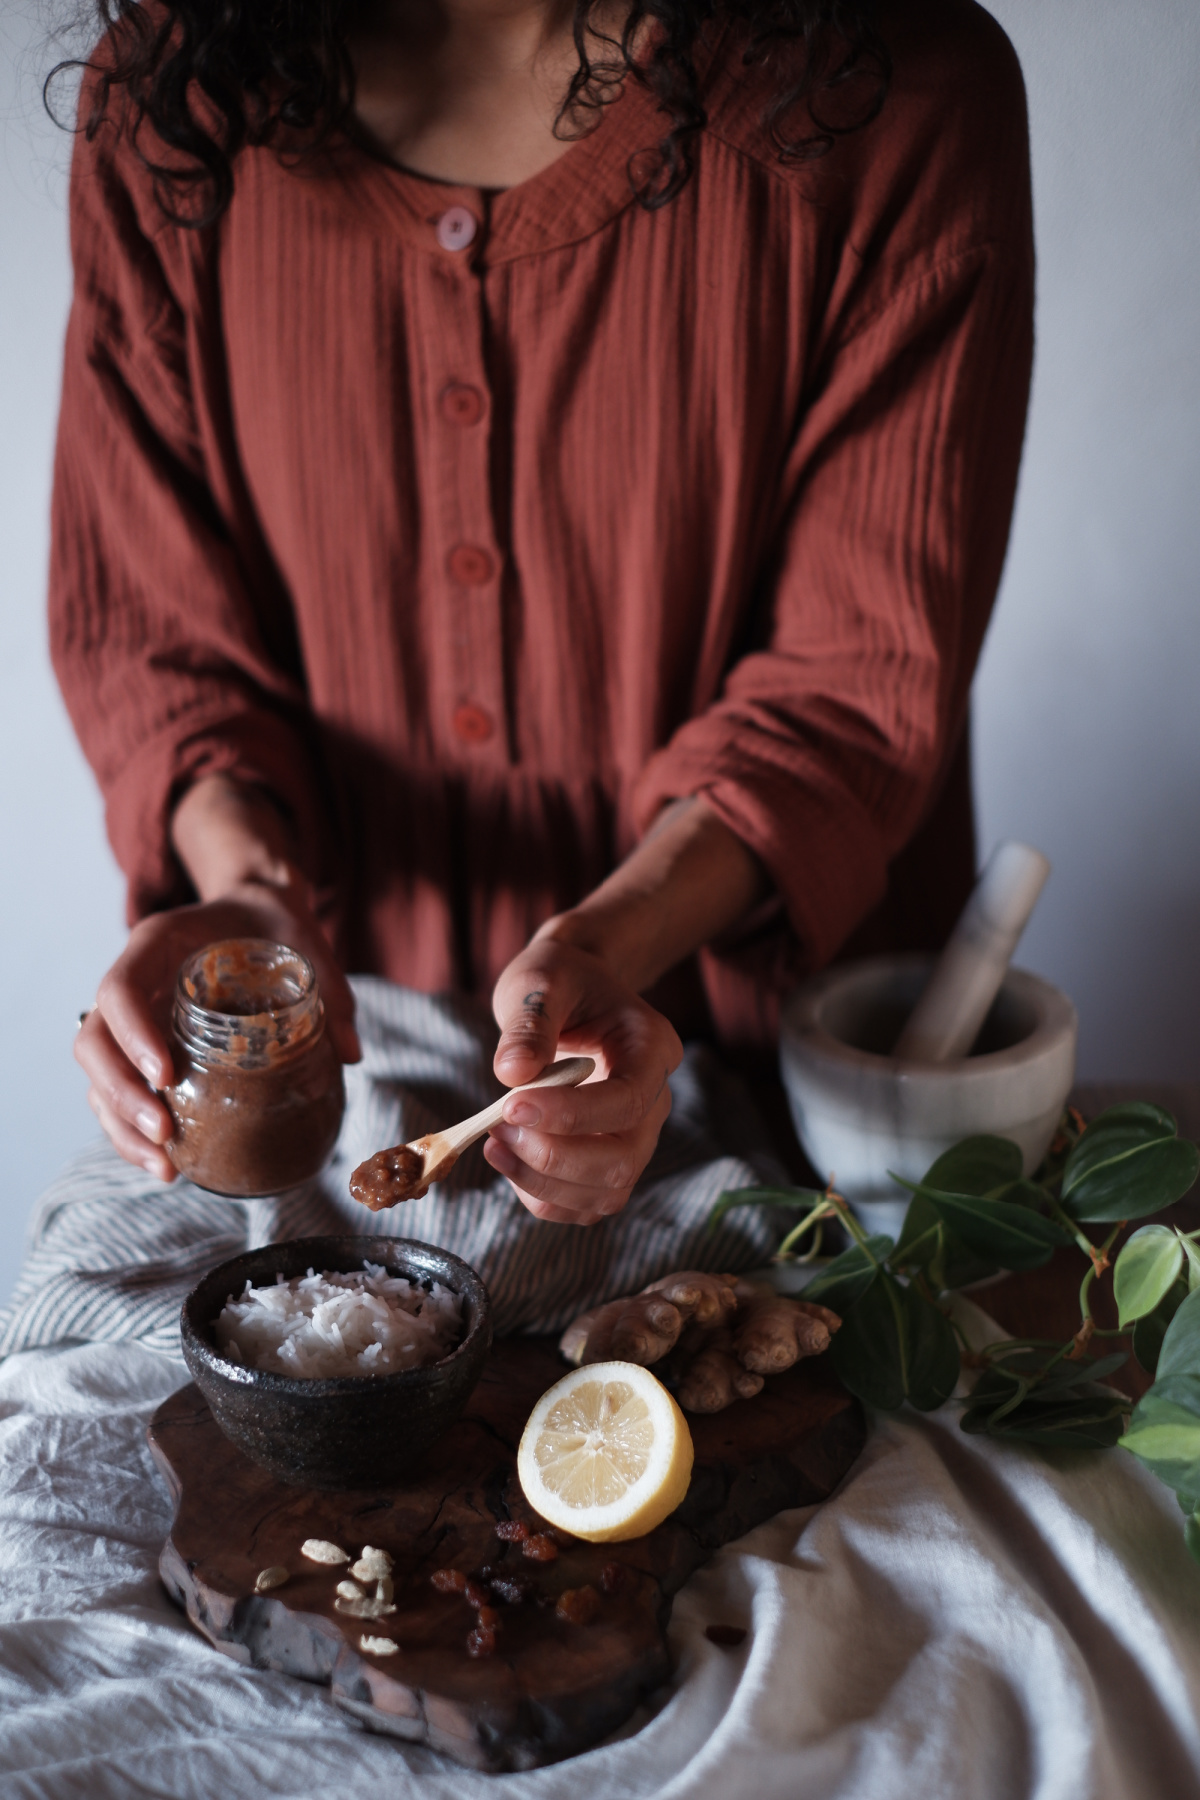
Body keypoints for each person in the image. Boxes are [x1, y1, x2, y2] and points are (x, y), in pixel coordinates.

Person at [59, 0, 1033, 1229]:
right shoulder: (174, 97)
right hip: (353, 1081)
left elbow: (856, 678)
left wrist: (614, 947)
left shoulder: (895, 94)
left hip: (797, 1108)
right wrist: (250, 891)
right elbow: (151, 633)